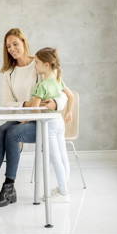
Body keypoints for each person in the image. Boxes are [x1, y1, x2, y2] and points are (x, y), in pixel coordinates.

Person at [0, 28, 68, 209]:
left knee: (12, 133)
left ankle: (9, 187)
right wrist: (25, 105)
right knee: (1, 130)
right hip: (22, 117)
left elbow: (61, 90)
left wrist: (55, 104)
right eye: (8, 46)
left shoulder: (39, 64)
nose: (12, 49)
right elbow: (7, 103)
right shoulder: (9, 72)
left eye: (15, 44)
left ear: (24, 42)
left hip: (42, 121)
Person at [24, 47, 73, 202]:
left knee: (55, 158)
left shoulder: (42, 85)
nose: (35, 66)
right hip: (58, 121)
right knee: (63, 155)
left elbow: (34, 108)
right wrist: (69, 112)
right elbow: (71, 96)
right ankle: (64, 186)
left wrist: (30, 109)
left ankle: (63, 192)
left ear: (46, 64)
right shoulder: (58, 80)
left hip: (48, 124)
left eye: (37, 63)